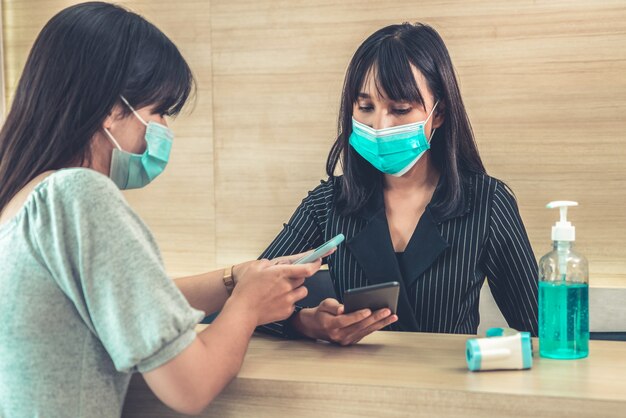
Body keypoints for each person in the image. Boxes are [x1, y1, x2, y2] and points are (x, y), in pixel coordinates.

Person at [0, 3, 320, 417]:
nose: (164, 131)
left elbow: (135, 298)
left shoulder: (24, 199)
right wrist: (249, 306)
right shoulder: (79, 195)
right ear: (112, 110)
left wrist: (235, 280)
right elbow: (191, 385)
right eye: (159, 112)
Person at [260, 22, 538, 345]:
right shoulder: (327, 203)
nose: (379, 125)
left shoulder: (488, 203)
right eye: (365, 107)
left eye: (400, 109)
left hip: (450, 391)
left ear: (439, 113)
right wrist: (308, 324)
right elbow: (250, 304)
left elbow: (544, 331)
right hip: (356, 389)